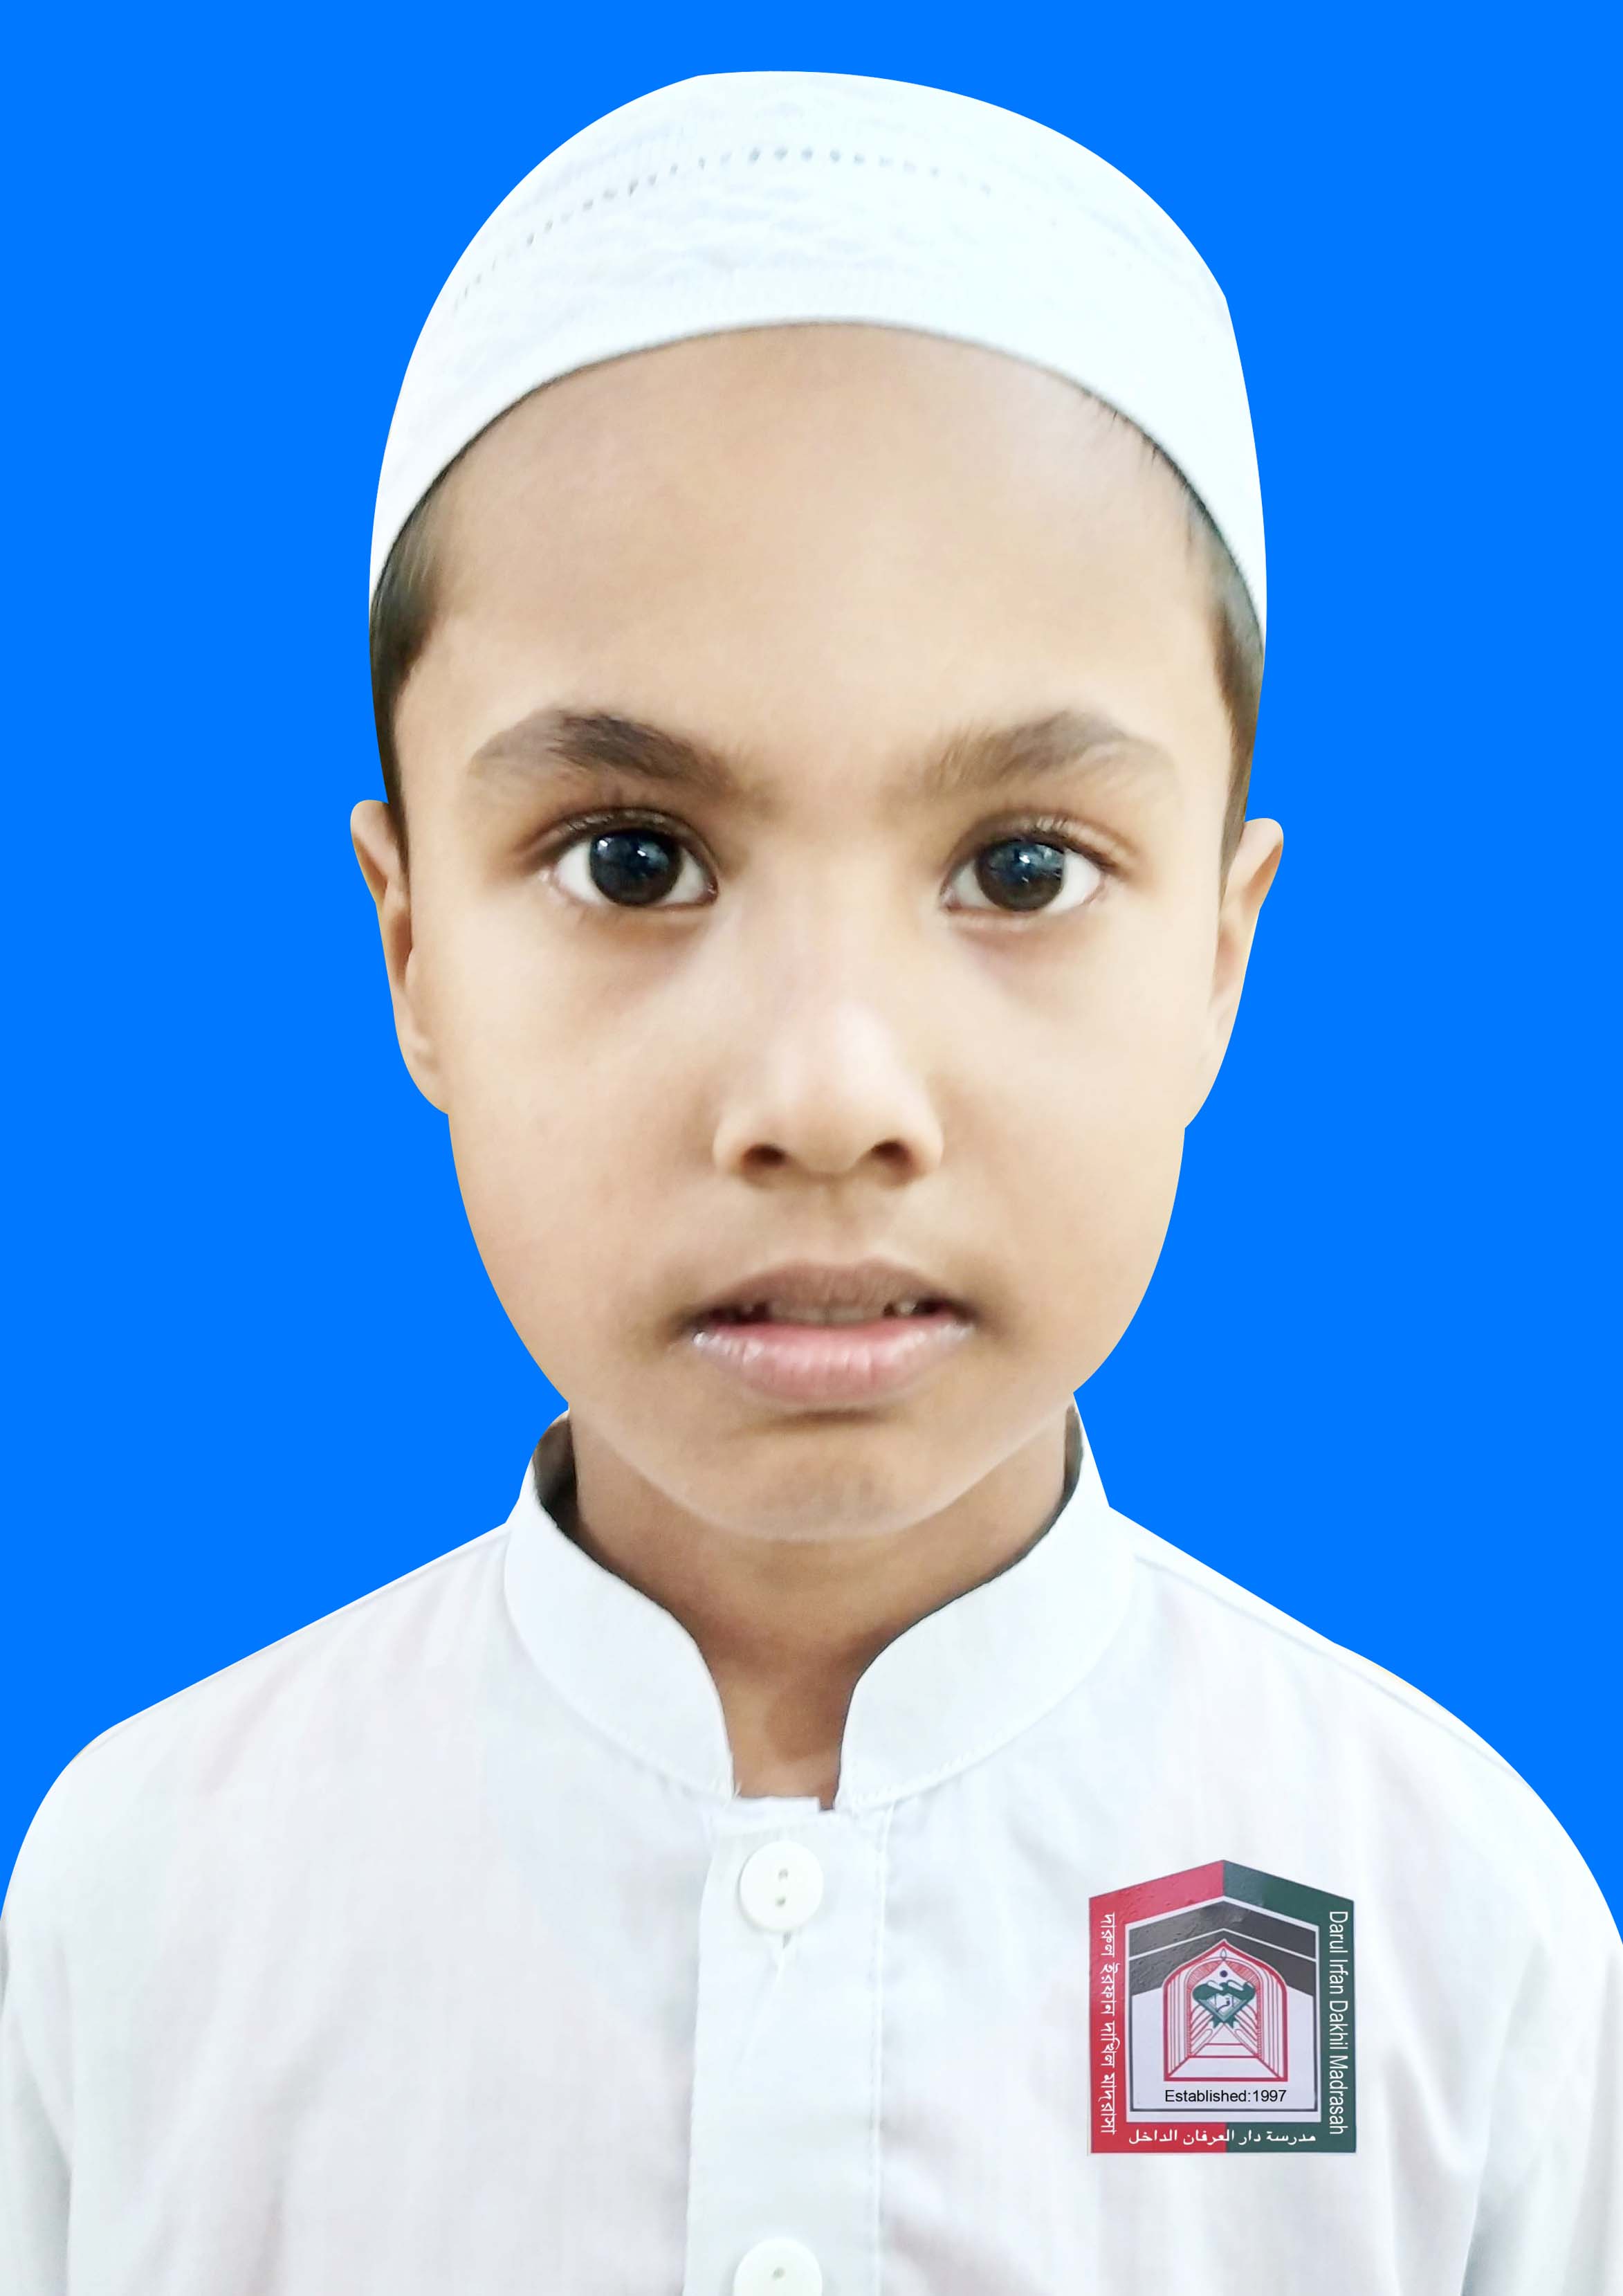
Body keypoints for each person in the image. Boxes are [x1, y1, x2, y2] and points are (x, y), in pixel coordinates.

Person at [1, 66, 1616, 2296]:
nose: (829, 1094)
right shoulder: (146, 1906)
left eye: (1021, 868)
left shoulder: (1443, 1931)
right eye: (631, 860)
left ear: (1219, 960)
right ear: (412, 950)